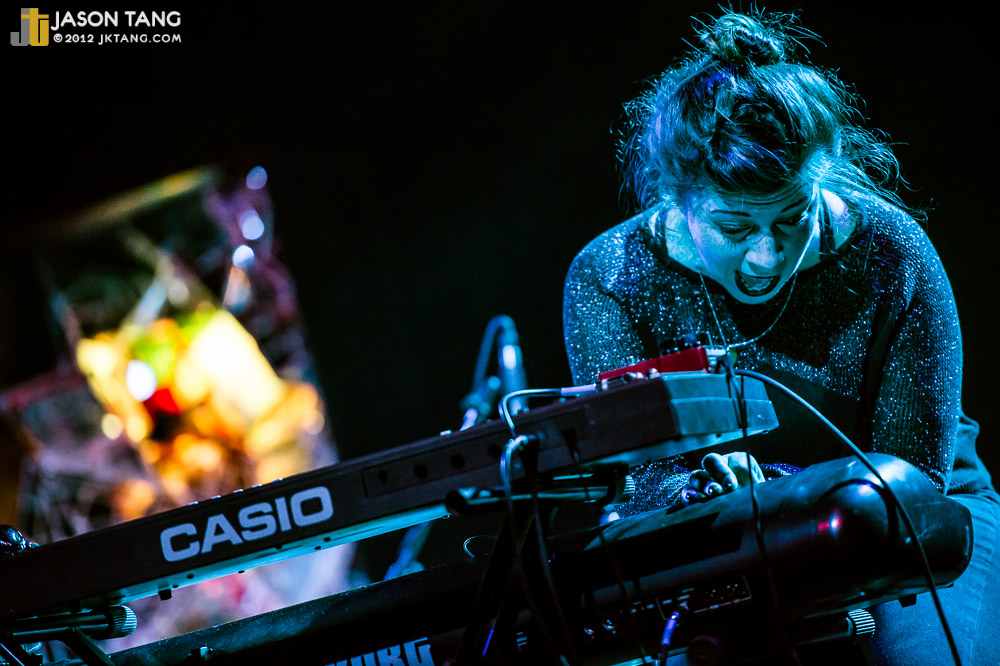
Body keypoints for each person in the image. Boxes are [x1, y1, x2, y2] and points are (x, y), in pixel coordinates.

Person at [562, 10, 998, 666]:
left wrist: (770, 484)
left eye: (795, 218)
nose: (767, 257)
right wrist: (703, 492)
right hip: (720, 530)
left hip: (915, 515)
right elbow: (634, 481)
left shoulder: (892, 251)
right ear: (679, 201)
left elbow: (910, 479)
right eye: (735, 228)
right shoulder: (612, 274)